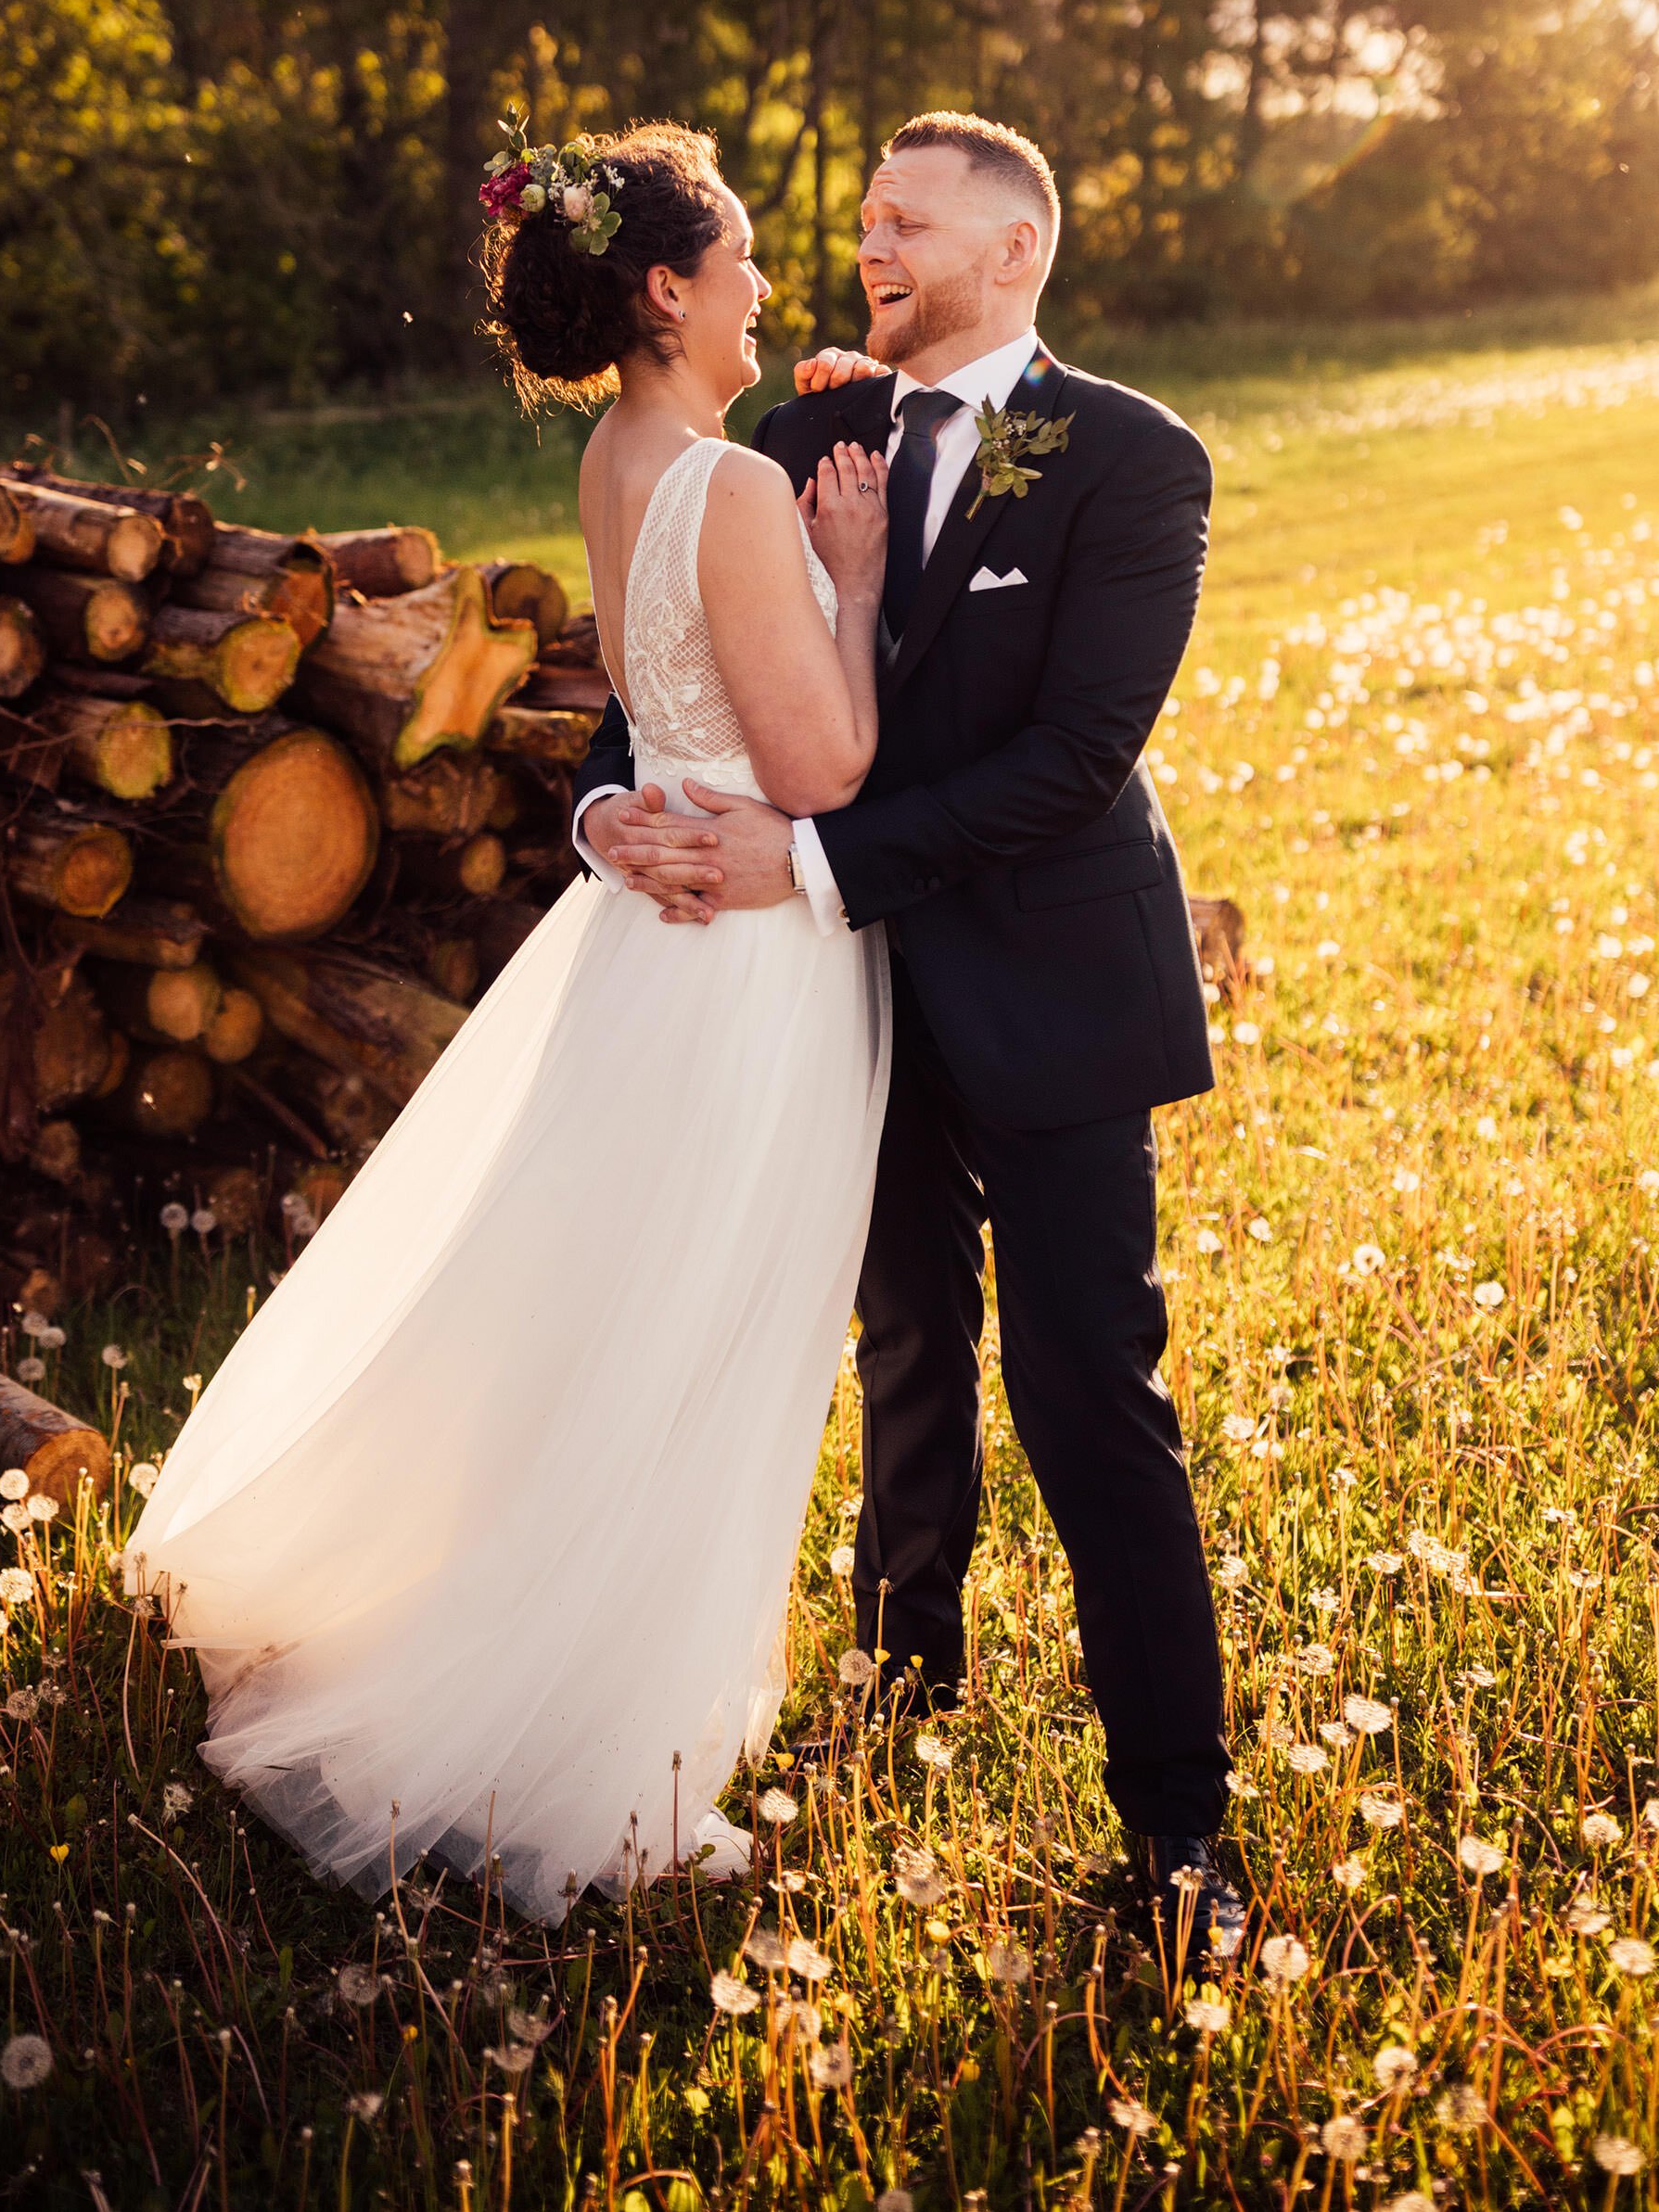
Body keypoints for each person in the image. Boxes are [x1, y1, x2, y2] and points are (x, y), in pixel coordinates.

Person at [125, 120, 893, 1922]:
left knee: (599, 1317)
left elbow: (651, 716)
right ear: (662, 289)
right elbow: (820, 763)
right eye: (740, 261)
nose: (764, 286)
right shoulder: (729, 484)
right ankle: (594, 1737)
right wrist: (855, 583)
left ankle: (537, 1638)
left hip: (641, 932)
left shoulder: (622, 465)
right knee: (695, 1341)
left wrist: (608, 809)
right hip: (741, 955)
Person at [576, 110, 1243, 1957]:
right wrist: (598, 809)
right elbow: (657, 674)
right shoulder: (798, 435)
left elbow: (1072, 763)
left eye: (908, 222)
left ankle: (1179, 1829)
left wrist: (806, 861)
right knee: (902, 1350)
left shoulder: (1129, 459)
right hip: (839, 1007)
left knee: (1089, 1393)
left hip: (1048, 986)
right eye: (861, 218)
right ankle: (899, 1684)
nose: (867, 245)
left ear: (1013, 251)